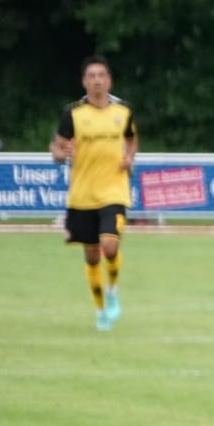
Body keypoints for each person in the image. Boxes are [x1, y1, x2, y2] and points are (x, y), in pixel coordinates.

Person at [50, 55, 137, 332]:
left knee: (110, 246)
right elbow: (56, 149)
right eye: (92, 76)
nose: (97, 80)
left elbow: (131, 140)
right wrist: (61, 153)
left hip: (114, 191)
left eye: (101, 75)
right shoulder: (72, 113)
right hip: (83, 194)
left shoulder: (123, 110)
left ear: (109, 80)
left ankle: (112, 290)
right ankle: (100, 311)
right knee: (91, 256)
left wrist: (129, 158)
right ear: (84, 81)